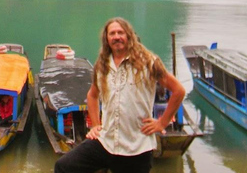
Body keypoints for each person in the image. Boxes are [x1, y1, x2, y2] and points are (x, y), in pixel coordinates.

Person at [54, 17, 186, 173]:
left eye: (120, 33)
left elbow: (178, 90)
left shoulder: (148, 62)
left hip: (136, 148)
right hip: (106, 143)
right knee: (63, 167)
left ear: (128, 36)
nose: (116, 37)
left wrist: (162, 122)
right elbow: (92, 95)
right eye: (112, 34)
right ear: (107, 39)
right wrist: (96, 125)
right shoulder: (102, 65)